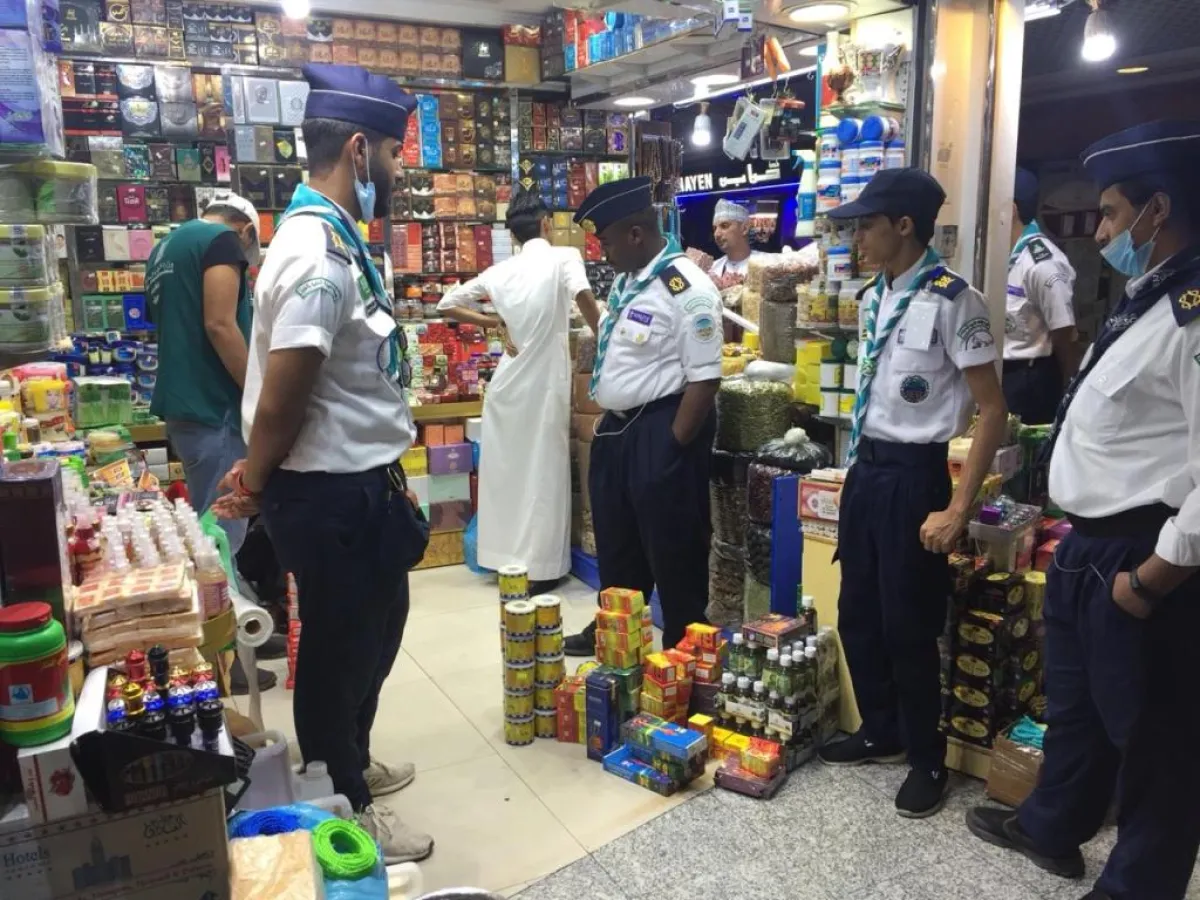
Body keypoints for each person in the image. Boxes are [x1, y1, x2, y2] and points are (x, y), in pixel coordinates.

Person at [967, 120, 1200, 900]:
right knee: (1076, 710)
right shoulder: (1151, 297)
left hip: (1141, 553)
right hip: (1088, 545)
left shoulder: (1194, 311)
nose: (1100, 232)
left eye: (1110, 212)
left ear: (1158, 210)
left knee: (1158, 741)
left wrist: (1152, 580)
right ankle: (1052, 825)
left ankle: (1137, 886)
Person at [212, 63, 433, 864]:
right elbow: (285, 395)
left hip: (361, 485)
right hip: (328, 493)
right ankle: (345, 804)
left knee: (377, 635)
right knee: (340, 654)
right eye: (395, 155)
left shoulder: (335, 240)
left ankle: (353, 759)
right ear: (359, 149)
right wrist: (255, 480)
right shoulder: (315, 253)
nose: (400, 171)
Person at [816, 168, 1008, 819]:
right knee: (858, 612)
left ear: (904, 225)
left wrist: (957, 507)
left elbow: (992, 409)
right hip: (867, 472)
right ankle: (882, 730)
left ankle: (928, 756)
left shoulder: (957, 300)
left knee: (910, 624)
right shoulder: (875, 296)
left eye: (867, 225)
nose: (858, 238)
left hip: (915, 476)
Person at [562, 176, 722, 654]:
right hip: (620, 430)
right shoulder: (630, 280)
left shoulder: (685, 287)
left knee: (673, 549)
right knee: (619, 543)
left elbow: (705, 378)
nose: (603, 253)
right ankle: (616, 632)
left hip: (661, 427)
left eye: (607, 243)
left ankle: (683, 650)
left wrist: (672, 446)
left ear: (636, 234)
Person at [436, 190, 600, 594]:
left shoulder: (500, 272)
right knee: (544, 474)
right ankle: (542, 568)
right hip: (544, 385)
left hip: (507, 386)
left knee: (507, 476)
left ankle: (505, 563)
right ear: (546, 224)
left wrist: (494, 323)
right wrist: (606, 334)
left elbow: (446, 303)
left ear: (513, 235)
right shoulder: (564, 257)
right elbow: (584, 297)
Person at [145, 190, 259, 554]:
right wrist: (258, 395)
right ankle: (224, 591)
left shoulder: (163, 249)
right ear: (245, 231)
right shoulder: (222, 240)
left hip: (183, 406)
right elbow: (220, 324)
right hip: (215, 405)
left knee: (206, 523)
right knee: (222, 533)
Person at [1003, 167, 1079, 424]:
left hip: (1029, 379)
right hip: (999, 372)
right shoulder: (998, 254)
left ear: (1011, 209)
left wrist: (1070, 388)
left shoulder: (1042, 263)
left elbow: (1064, 331)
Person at [709, 198, 771, 278]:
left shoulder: (768, 264)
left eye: (724, 226)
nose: (717, 234)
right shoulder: (712, 270)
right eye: (715, 228)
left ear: (744, 228)